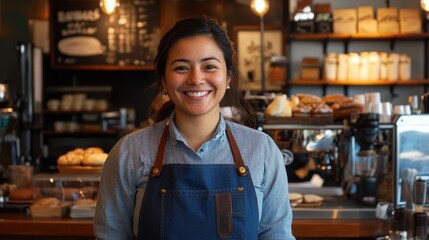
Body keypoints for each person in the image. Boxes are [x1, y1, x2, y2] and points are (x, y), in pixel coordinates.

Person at [94, 16, 295, 240]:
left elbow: (277, 235)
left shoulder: (262, 150)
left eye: (209, 66)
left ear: (228, 76)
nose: (196, 78)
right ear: (163, 80)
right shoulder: (130, 152)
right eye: (181, 67)